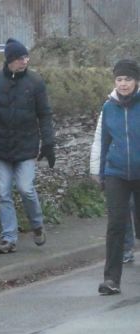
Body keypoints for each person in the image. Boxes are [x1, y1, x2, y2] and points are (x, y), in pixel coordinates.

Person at [0, 38, 55, 254]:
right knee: (3, 192)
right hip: (1, 146)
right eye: (20, 58)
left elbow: (44, 114)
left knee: (26, 189)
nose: (24, 61)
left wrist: (48, 142)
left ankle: (37, 225)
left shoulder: (35, 82)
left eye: (26, 57)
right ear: (9, 60)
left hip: (27, 146)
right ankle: (9, 238)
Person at [94, 59, 140, 295]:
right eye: (119, 79)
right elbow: (103, 141)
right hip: (116, 173)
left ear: (136, 81)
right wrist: (99, 171)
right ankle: (111, 279)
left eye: (128, 79)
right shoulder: (108, 107)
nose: (123, 84)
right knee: (115, 225)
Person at [90, 108, 136, 265]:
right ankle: (125, 248)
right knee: (121, 209)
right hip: (117, 169)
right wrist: (96, 168)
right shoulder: (109, 107)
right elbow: (100, 139)